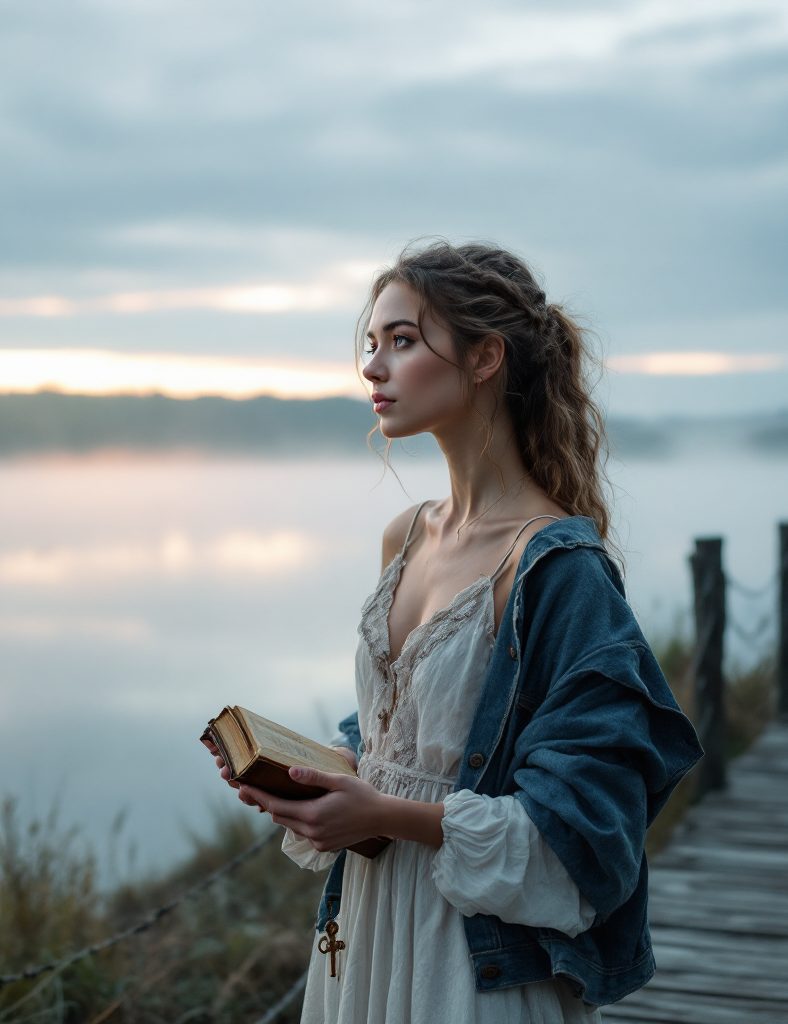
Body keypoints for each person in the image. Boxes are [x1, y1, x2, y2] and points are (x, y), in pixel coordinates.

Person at [205, 241, 702, 1024]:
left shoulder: (559, 568)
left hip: (471, 961)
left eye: (402, 340)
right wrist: (322, 774)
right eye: (372, 344)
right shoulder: (405, 535)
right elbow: (404, 741)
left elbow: (586, 832)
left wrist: (384, 815)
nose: (374, 367)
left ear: (485, 358)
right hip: (365, 928)